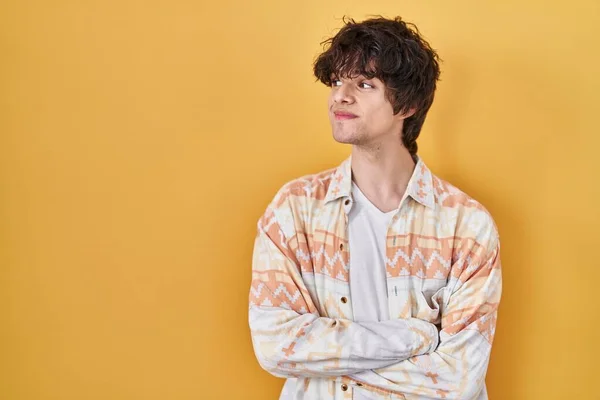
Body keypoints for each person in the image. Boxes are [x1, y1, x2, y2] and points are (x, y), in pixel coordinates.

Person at [248, 15, 502, 400]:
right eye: (337, 82)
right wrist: (416, 336)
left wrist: (327, 366)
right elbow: (274, 344)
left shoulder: (466, 226)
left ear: (409, 105)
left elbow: (458, 379)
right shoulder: (294, 210)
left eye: (364, 84)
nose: (340, 97)